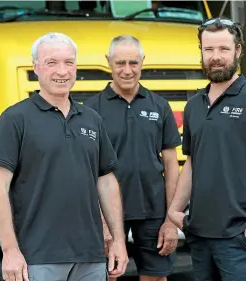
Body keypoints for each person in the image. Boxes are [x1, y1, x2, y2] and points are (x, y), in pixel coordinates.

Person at [0, 32, 128, 281]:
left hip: (91, 256)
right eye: (51, 63)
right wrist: (9, 251)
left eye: (68, 62)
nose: (62, 71)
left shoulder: (92, 119)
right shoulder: (15, 119)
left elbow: (106, 182)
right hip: (37, 257)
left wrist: (118, 241)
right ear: (36, 67)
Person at [168, 18, 246, 281]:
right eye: (209, 49)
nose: (216, 57)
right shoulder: (194, 107)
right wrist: (175, 210)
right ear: (201, 52)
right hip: (200, 237)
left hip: (241, 237)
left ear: (237, 51)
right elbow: (192, 161)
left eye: (224, 49)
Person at [84, 35, 181, 281]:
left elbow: (171, 165)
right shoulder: (90, 109)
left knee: (156, 276)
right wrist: (101, 223)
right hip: (107, 212)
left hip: (154, 211)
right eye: (120, 63)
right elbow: (85, 168)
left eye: (133, 63)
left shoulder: (160, 106)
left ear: (142, 62)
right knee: (107, 275)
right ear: (109, 62)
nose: (127, 70)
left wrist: (171, 219)